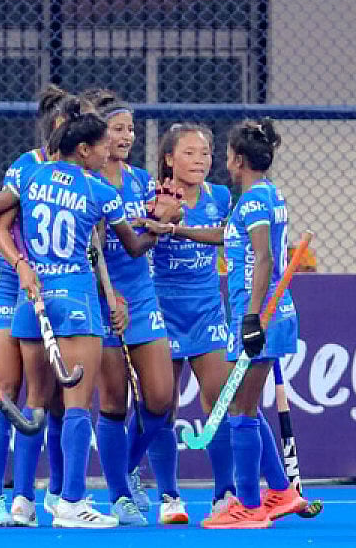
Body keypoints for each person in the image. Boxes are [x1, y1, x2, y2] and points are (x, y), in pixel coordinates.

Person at [0, 101, 149, 529]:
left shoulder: (31, 175)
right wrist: (161, 224)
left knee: (35, 403)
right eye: (102, 147)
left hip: (34, 297)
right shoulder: (101, 191)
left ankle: (21, 501)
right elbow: (132, 247)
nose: (109, 153)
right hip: (76, 299)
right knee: (78, 404)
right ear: (82, 149)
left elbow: (0, 223)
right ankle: (71, 501)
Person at [0, 85, 77, 527]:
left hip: (60, 286)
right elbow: (0, 227)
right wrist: (21, 265)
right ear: (55, 126)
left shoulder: (84, 171)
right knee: (4, 388)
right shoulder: (25, 167)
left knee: (48, 395)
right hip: (14, 283)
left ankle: (32, 497)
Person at [194, 120, 307, 528]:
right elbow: (230, 237)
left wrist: (252, 318)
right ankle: (278, 490)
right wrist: (174, 229)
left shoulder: (255, 202)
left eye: (225, 154)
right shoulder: (266, 195)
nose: (223, 161)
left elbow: (264, 258)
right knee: (246, 404)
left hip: (260, 315)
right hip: (265, 313)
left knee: (241, 410)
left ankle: (248, 505)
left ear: (238, 160)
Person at [84, 91, 181, 526]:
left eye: (131, 129)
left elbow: (142, 237)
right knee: (113, 401)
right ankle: (120, 495)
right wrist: (109, 296)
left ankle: (123, 465)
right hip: (101, 298)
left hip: (141, 295)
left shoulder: (141, 180)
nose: (128, 136)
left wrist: (163, 222)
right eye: (119, 128)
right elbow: (92, 249)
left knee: (161, 398)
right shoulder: (86, 182)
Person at [138, 123, 236, 522]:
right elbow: (136, 238)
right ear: (168, 159)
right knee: (162, 407)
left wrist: (181, 229)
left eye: (206, 154)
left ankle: (225, 494)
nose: (200, 161)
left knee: (219, 400)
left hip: (207, 308)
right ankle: (169, 497)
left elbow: (227, 235)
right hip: (162, 308)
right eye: (190, 153)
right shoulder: (149, 195)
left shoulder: (221, 196)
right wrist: (155, 219)